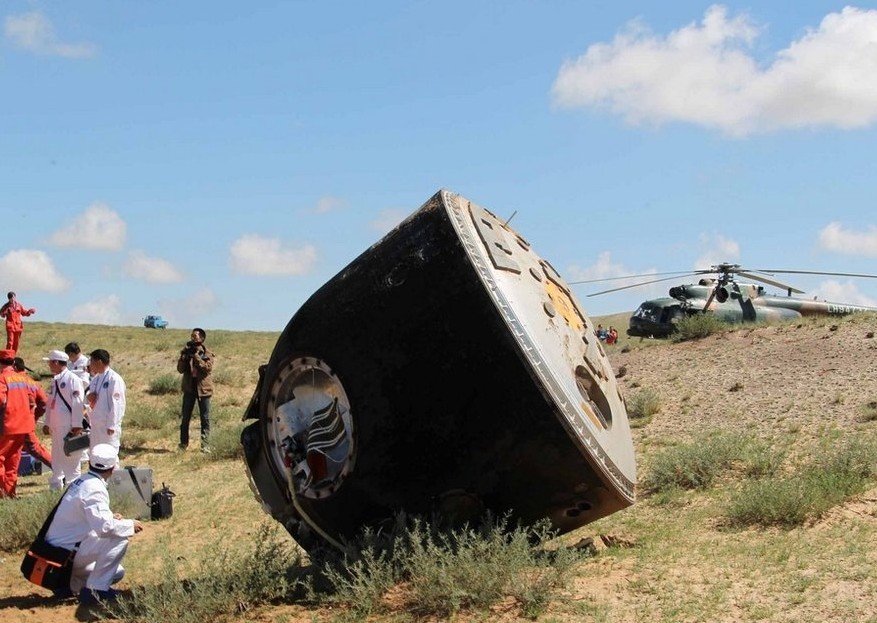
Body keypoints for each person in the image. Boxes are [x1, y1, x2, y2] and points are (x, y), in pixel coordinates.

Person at [44, 443, 144, 604]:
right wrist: (129, 525)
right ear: (112, 468)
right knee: (119, 537)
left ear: (90, 463)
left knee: (117, 572)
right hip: (65, 553)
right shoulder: (95, 488)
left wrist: (111, 517)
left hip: (60, 550)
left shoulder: (83, 481)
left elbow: (85, 517)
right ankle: (95, 591)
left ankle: (69, 584)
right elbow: (105, 528)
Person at [0, 348, 42, 497]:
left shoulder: (2, 378)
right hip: (23, 426)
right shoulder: (24, 379)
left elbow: (1, 400)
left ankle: (2, 494)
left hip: (7, 426)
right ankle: (9, 494)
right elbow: (36, 400)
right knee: (12, 462)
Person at [43, 350, 86, 490]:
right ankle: (56, 485)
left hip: (67, 426)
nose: (48, 365)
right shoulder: (55, 380)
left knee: (70, 457)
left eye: (50, 362)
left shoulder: (72, 379)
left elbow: (77, 404)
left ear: (56, 362)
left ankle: (73, 487)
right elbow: (50, 403)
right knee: (56, 457)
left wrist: (77, 425)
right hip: (56, 425)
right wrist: (47, 422)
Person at [177, 328, 214, 452]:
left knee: (205, 418)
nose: (193, 339)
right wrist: (184, 358)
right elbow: (180, 370)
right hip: (189, 388)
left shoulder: (206, 352)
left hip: (203, 389)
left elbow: (207, 368)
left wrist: (197, 357)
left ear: (202, 339)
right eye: (191, 337)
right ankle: (183, 444)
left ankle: (205, 445)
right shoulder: (186, 352)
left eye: (195, 337)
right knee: (185, 418)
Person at [13, 356, 52, 470]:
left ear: (14, 367)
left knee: (34, 448)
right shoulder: (32, 383)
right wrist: (33, 417)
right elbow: (44, 403)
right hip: (26, 422)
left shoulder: (10, 380)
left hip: (15, 422)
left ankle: (60, 470)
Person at [86, 349, 126, 457]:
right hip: (95, 424)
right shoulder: (95, 379)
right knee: (95, 454)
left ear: (99, 361)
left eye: (92, 362)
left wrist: (112, 425)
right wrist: (89, 397)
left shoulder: (114, 379)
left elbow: (118, 404)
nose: (90, 365)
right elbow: (90, 397)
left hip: (107, 425)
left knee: (109, 455)